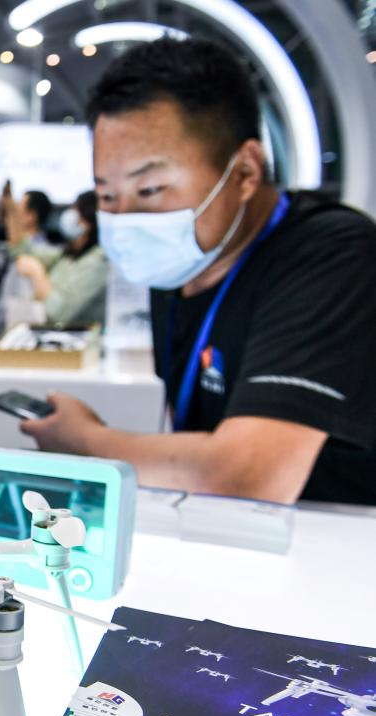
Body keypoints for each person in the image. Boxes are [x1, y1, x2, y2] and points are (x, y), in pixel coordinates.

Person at [20, 38, 376, 505]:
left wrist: (86, 442)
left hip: (342, 549)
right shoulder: (184, 263)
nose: (125, 218)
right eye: (107, 195)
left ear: (246, 172)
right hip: (237, 537)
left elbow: (249, 475)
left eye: (150, 189)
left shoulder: (333, 253)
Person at [13, 191, 108, 328]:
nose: (69, 215)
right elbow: (21, 250)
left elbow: (57, 313)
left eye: (75, 210)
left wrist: (37, 273)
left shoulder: (98, 263)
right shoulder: (69, 253)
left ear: (87, 221)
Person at [0, 188, 59, 347]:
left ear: (32, 216)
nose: (9, 217)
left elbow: (12, 302)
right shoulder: (13, 251)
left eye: (15, 210)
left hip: (16, 339)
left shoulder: (37, 256)